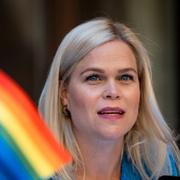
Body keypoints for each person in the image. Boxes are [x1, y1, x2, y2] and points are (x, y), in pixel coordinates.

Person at [38, 17, 180, 180]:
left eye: (125, 77)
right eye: (94, 78)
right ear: (64, 93)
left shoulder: (159, 167)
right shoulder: (26, 172)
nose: (113, 92)